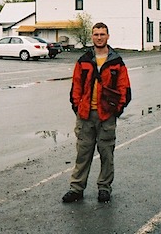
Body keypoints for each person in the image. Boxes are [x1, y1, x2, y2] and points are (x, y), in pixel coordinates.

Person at [62, 22, 132, 204]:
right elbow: (75, 86)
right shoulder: (84, 60)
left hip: (106, 116)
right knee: (83, 153)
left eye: (102, 34)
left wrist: (116, 110)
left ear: (108, 36)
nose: (99, 37)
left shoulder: (116, 62)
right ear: (92, 37)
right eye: (96, 34)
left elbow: (125, 89)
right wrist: (78, 107)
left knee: (106, 153)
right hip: (85, 116)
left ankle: (104, 188)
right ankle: (76, 188)